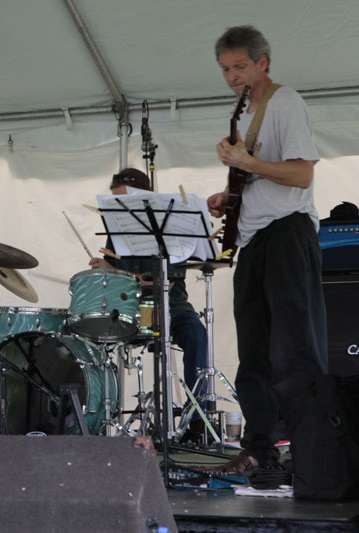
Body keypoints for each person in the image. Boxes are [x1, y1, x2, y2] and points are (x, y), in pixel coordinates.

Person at [206, 26, 327, 474]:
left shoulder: (285, 101)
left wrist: (246, 163)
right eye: (225, 69)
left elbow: (300, 175)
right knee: (253, 352)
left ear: (263, 62)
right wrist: (229, 194)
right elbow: (260, 175)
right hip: (254, 238)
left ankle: (313, 452)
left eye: (240, 66)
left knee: (294, 352)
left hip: (287, 235)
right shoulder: (242, 111)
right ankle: (259, 451)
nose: (233, 76)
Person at [88, 168, 208, 434]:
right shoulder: (115, 235)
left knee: (196, 333)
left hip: (170, 305)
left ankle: (199, 417)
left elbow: (165, 280)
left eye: (125, 201)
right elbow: (121, 282)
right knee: (88, 332)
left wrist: (115, 270)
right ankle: (91, 420)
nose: (120, 210)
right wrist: (106, 272)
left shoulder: (169, 229)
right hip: (128, 306)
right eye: (115, 203)